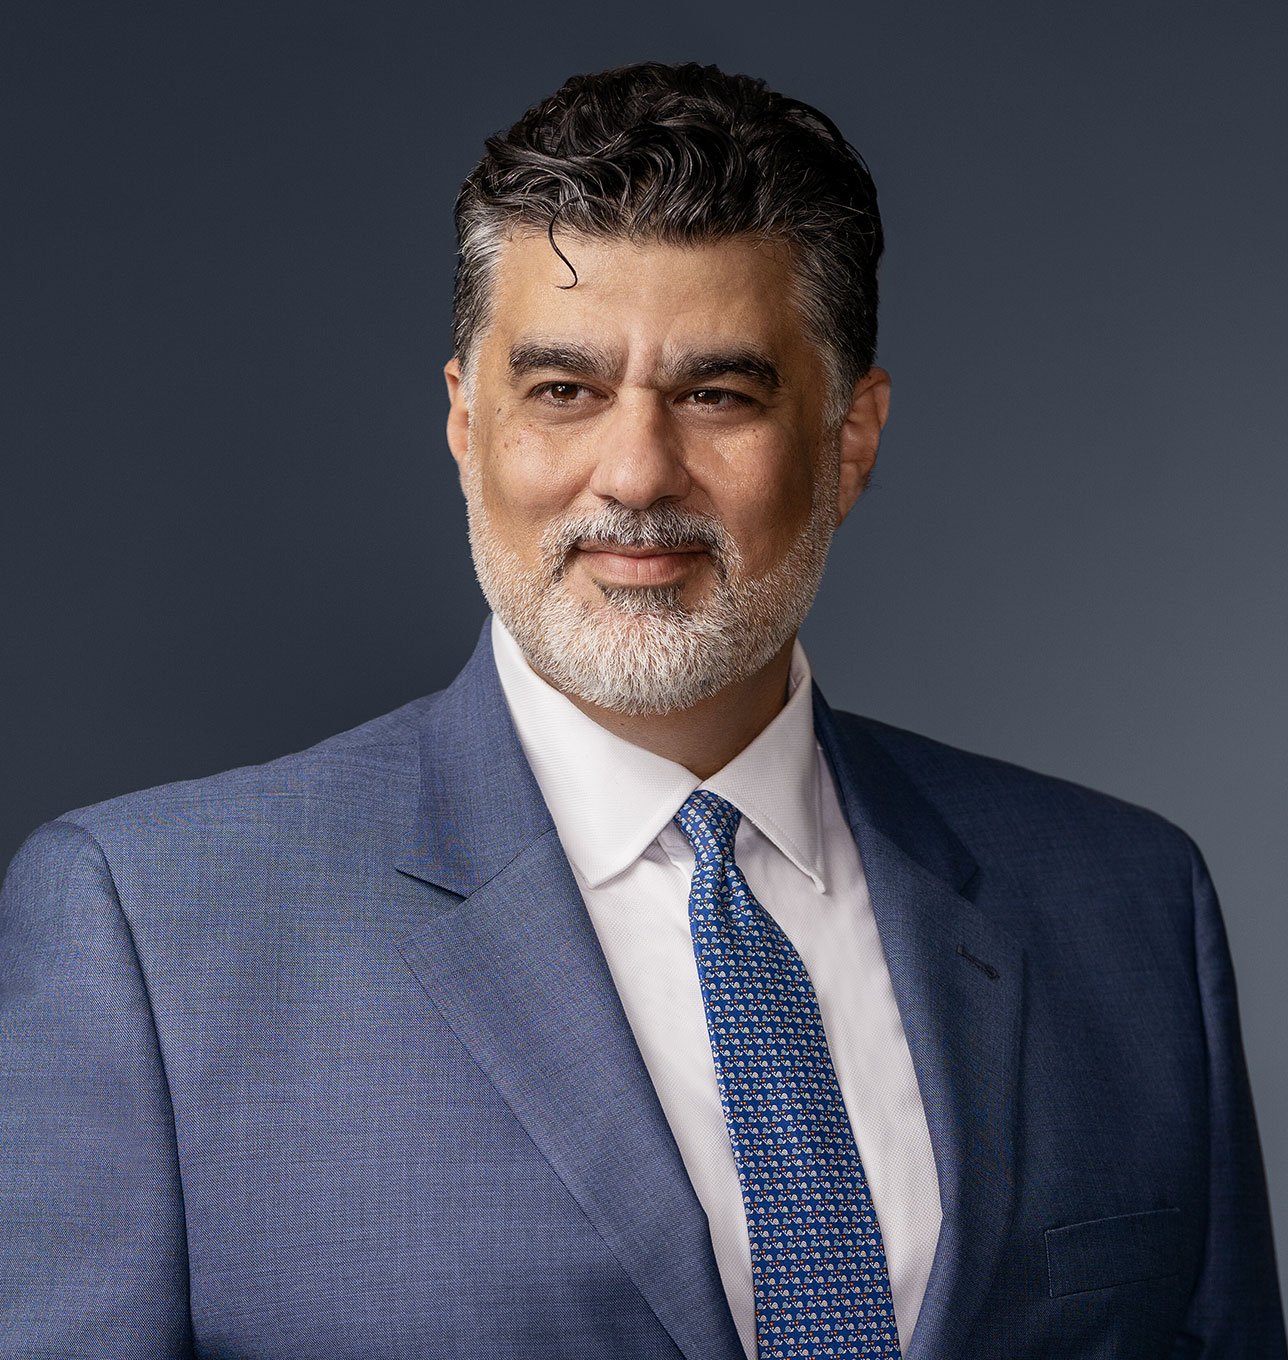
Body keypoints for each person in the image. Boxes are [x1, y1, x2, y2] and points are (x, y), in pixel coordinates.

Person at [0, 60, 1282, 1360]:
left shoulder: (1127, 909)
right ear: (466, 423)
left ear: (850, 437)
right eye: (563, 391)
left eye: (718, 395)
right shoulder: (153, 936)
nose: (635, 473)